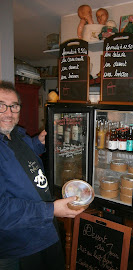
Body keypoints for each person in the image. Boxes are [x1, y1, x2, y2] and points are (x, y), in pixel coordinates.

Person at [0, 81, 85, 270]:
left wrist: (38, 142)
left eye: (14, 106)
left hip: (45, 230)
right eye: (1, 105)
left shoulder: (16, 135)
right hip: (20, 246)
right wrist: (50, 210)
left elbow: (22, 155)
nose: (8, 113)